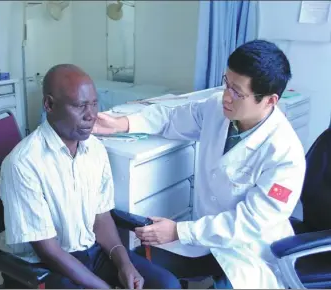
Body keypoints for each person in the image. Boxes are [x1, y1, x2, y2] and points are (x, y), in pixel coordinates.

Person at [92, 40, 306, 289]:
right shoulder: (218, 108)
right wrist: (122, 124)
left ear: (269, 101)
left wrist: (180, 232)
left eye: (238, 92)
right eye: (226, 83)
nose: (226, 96)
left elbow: (248, 223)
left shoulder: (284, 154)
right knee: (145, 268)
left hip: (248, 252)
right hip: (203, 239)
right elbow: (172, 118)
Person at [0, 64, 181, 289]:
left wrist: (124, 264)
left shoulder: (94, 149)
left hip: (90, 253)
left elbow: (101, 218)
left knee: (167, 284)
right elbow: (48, 250)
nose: (91, 115)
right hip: (43, 267)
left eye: (93, 103)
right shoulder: (24, 164)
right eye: (80, 105)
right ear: (49, 104)